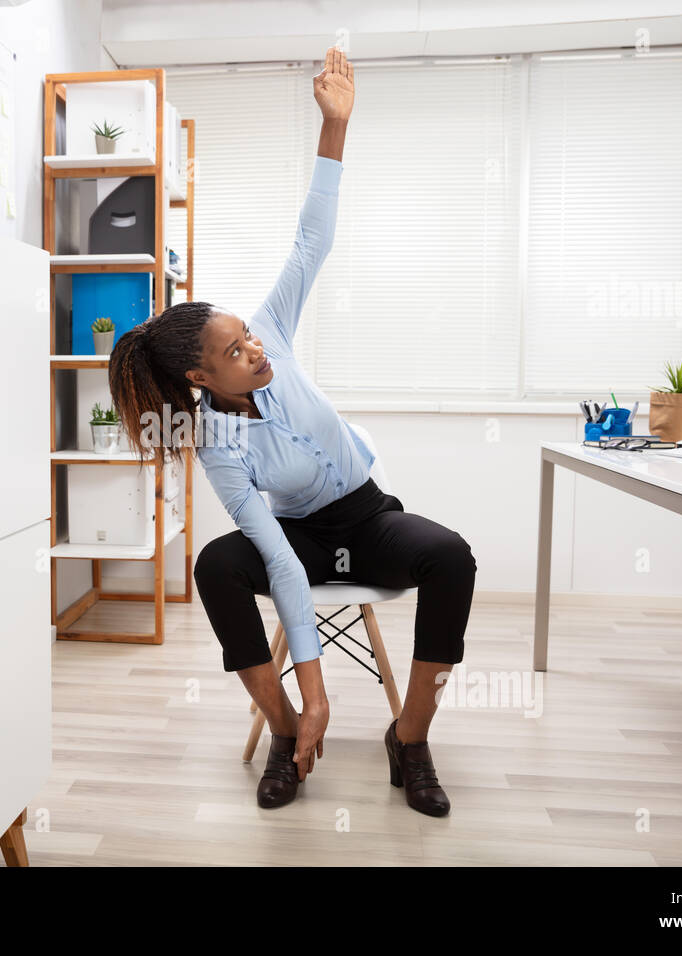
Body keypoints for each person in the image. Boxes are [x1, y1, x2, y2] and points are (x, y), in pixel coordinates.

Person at [107, 46, 476, 813]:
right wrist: (311, 700)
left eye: (250, 334)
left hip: (369, 518)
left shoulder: (273, 324)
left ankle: (410, 738)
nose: (257, 349)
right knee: (217, 565)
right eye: (236, 352)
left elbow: (312, 239)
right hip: (299, 536)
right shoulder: (216, 444)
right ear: (202, 381)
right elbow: (277, 562)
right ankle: (281, 732)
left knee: (451, 558)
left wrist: (334, 126)